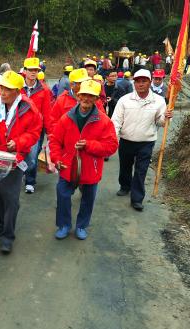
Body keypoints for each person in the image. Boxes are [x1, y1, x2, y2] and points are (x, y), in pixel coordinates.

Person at [0, 70, 42, 253]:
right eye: (1, 88)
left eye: (7, 89)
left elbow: (34, 132)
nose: (3, 92)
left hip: (14, 160)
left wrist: (19, 142)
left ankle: (7, 236)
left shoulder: (28, 109)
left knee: (11, 199)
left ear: (17, 91)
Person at [50, 79, 118, 240]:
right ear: (78, 96)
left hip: (90, 168)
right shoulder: (66, 118)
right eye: (84, 95)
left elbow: (111, 146)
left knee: (88, 198)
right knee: (63, 195)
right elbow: (55, 140)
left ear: (96, 99)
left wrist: (90, 145)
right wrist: (56, 158)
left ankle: (81, 226)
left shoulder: (104, 121)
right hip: (67, 165)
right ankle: (64, 225)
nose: (86, 99)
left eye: (91, 96)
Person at [111, 69, 173, 211]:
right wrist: (114, 137)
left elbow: (160, 122)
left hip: (146, 141)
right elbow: (116, 121)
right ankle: (125, 186)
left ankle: (137, 198)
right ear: (134, 83)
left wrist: (166, 117)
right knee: (125, 166)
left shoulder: (158, 101)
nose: (140, 84)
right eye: (138, 81)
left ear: (150, 82)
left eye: (144, 81)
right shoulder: (125, 100)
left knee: (141, 170)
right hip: (126, 140)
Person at [21, 57, 52, 194]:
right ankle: (23, 174)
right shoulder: (17, 87)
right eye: (31, 70)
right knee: (20, 154)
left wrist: (50, 132)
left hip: (36, 129)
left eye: (36, 70)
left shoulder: (44, 90)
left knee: (32, 158)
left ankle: (30, 181)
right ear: (25, 71)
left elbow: (47, 112)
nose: (33, 73)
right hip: (19, 128)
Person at [50, 68, 90, 133]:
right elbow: (53, 123)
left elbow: (102, 122)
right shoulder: (62, 100)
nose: (84, 85)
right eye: (80, 83)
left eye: (86, 82)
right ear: (72, 85)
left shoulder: (93, 99)